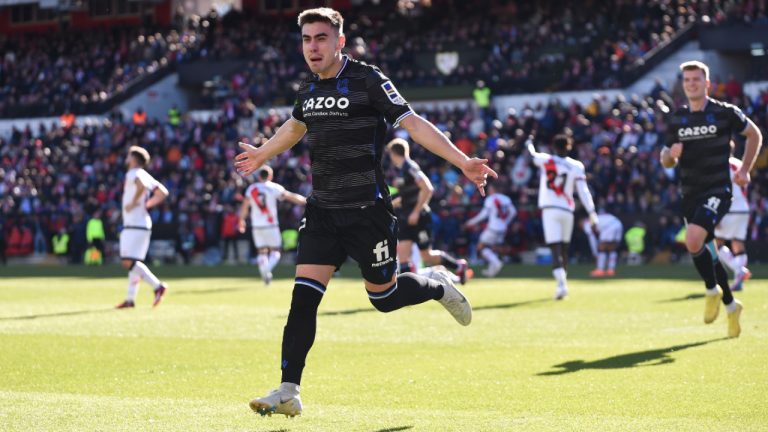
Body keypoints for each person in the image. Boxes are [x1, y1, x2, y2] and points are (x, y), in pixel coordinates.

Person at [234, 7, 496, 418]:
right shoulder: (308, 89)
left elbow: (412, 122)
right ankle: (289, 389)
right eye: (306, 39)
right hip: (323, 212)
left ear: (339, 41)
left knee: (385, 298)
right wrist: (263, 151)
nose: (313, 47)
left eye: (321, 38)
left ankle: (438, 285)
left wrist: (462, 161)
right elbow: (295, 125)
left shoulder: (368, 79)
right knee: (302, 301)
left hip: (367, 213)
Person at [660, 60, 762, 338]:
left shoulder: (724, 112)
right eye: (687, 80)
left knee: (692, 239)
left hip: (717, 190)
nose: (691, 83)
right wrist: (671, 155)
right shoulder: (677, 118)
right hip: (689, 192)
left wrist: (744, 169)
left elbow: (754, 134)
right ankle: (731, 306)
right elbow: (665, 158)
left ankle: (711, 290)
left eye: (696, 79)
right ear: (683, 85)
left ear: (707, 83)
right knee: (710, 252)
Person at [386, 138, 470, 284]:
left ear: (394, 153)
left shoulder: (410, 168)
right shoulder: (402, 171)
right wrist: (392, 205)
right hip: (406, 218)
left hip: (419, 218)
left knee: (427, 256)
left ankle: (458, 266)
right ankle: (409, 290)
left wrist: (416, 211)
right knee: (403, 255)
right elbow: (407, 195)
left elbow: (428, 188)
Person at [527, 134, 598, 300]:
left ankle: (561, 285)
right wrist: (592, 212)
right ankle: (562, 283)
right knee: (564, 248)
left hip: (550, 209)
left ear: (553, 146)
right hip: (567, 209)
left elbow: (531, 155)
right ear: (569, 146)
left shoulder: (546, 159)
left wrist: (529, 143)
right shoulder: (576, 165)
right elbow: (583, 191)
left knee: (555, 248)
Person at [115, 146, 170, 309]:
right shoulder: (145, 174)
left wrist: (134, 203)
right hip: (143, 223)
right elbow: (163, 192)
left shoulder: (133, 173)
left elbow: (140, 187)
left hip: (133, 223)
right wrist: (147, 204)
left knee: (127, 262)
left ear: (133, 158)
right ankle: (130, 299)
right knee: (134, 263)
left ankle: (157, 286)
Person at [239, 165, 307, 285]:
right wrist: (306, 200)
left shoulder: (252, 189)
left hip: (257, 225)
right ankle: (267, 270)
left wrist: (241, 220)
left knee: (261, 251)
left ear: (259, 176)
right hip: (271, 224)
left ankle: (265, 275)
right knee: (275, 250)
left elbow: (245, 206)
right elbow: (290, 196)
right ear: (270, 176)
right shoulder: (273, 187)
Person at [714, 142, 752, 291]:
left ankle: (738, 270)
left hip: (728, 210)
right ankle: (738, 280)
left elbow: (720, 191)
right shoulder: (740, 164)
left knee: (715, 244)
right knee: (738, 244)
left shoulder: (720, 166)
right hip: (743, 208)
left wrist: (716, 215)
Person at [463, 182, 515, 277]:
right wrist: (506, 222)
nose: (488, 190)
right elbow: (513, 212)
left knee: (480, 247)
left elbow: (483, 215)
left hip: (493, 227)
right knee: (492, 249)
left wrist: (470, 222)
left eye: (490, 189)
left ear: (493, 189)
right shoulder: (506, 199)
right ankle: (491, 271)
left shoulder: (490, 199)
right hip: (502, 228)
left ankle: (496, 262)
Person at [582, 211, 623, 277]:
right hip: (618, 223)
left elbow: (591, 238)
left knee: (602, 249)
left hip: (609, 226)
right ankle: (611, 270)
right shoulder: (596, 217)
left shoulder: (586, 223)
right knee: (612, 248)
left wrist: (595, 253)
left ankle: (600, 270)